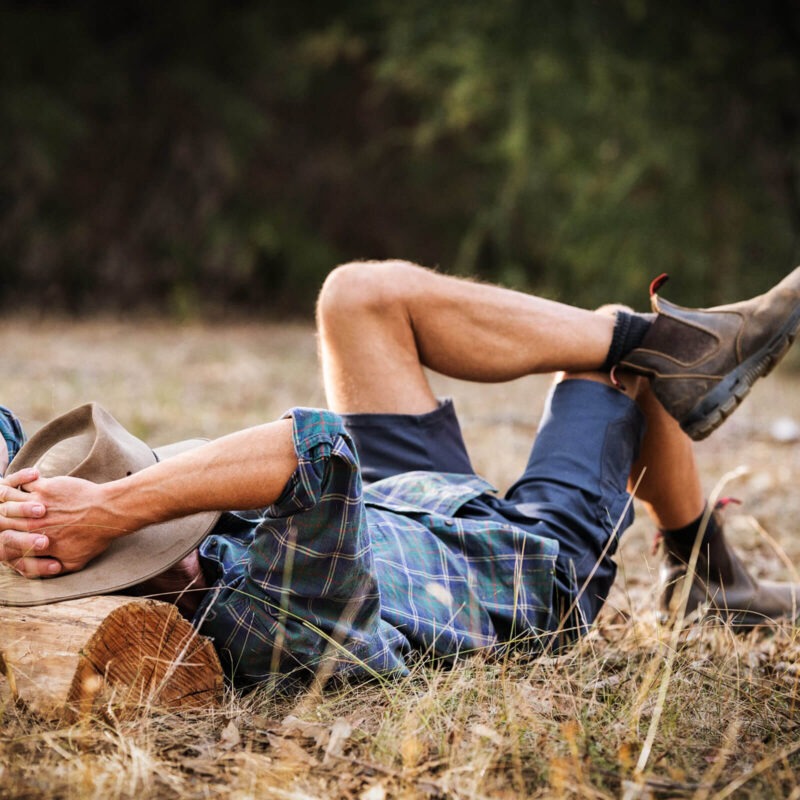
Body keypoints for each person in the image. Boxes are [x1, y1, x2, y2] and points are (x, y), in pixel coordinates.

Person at [1, 261, 799, 688]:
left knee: (359, 295)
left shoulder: (187, 550)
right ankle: (705, 568)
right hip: (516, 562)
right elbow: (311, 447)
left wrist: (43, 499)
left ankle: (674, 342)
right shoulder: (255, 616)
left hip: (398, 499)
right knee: (614, 375)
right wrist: (112, 506)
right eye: (143, 519)